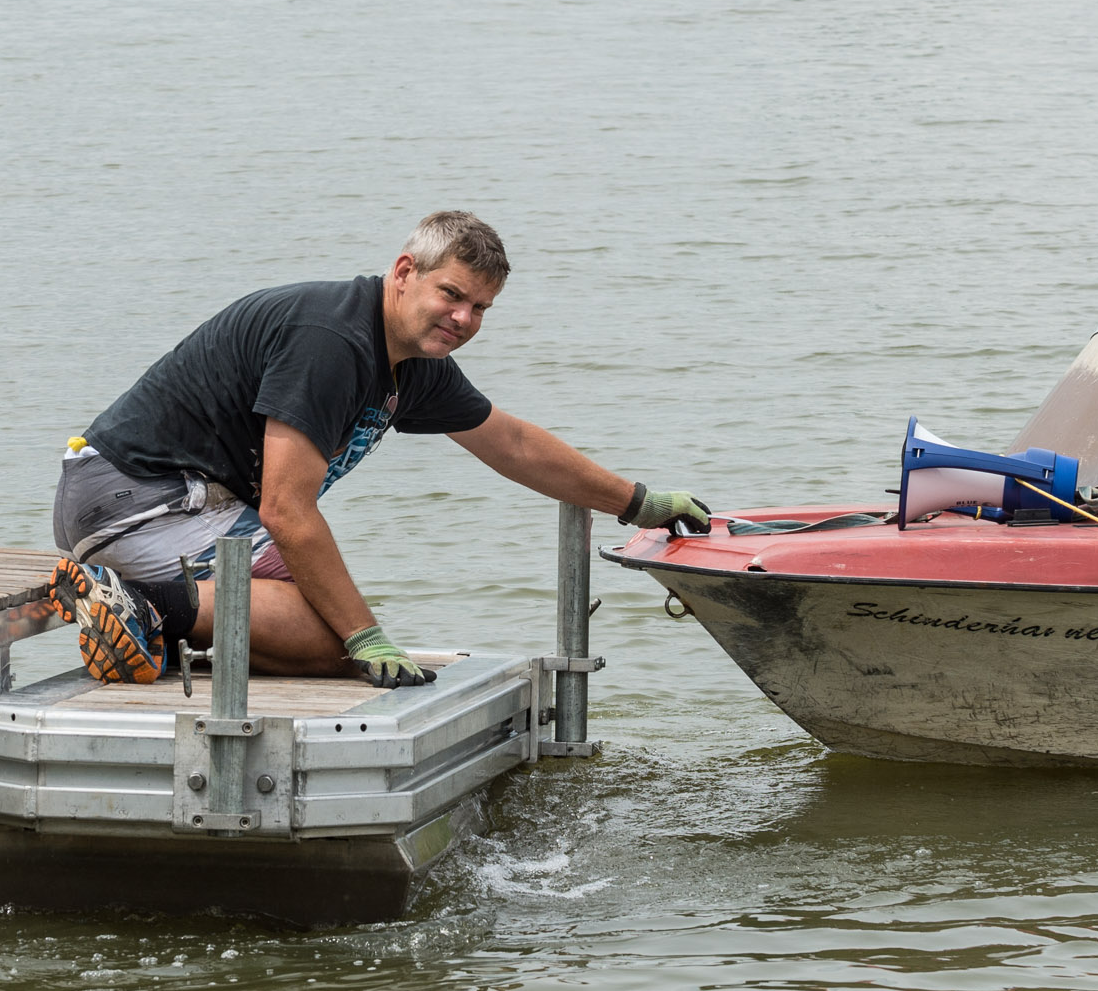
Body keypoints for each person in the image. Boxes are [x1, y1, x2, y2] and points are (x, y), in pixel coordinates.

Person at [50, 212, 712, 687]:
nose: (463, 319)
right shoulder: (334, 342)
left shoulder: (411, 362)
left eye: (481, 308)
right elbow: (286, 507)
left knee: (327, 636)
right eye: (451, 294)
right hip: (142, 496)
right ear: (404, 273)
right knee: (335, 640)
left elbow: (509, 442)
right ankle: (143, 603)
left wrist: (637, 502)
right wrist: (365, 637)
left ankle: (154, 624)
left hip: (165, 503)